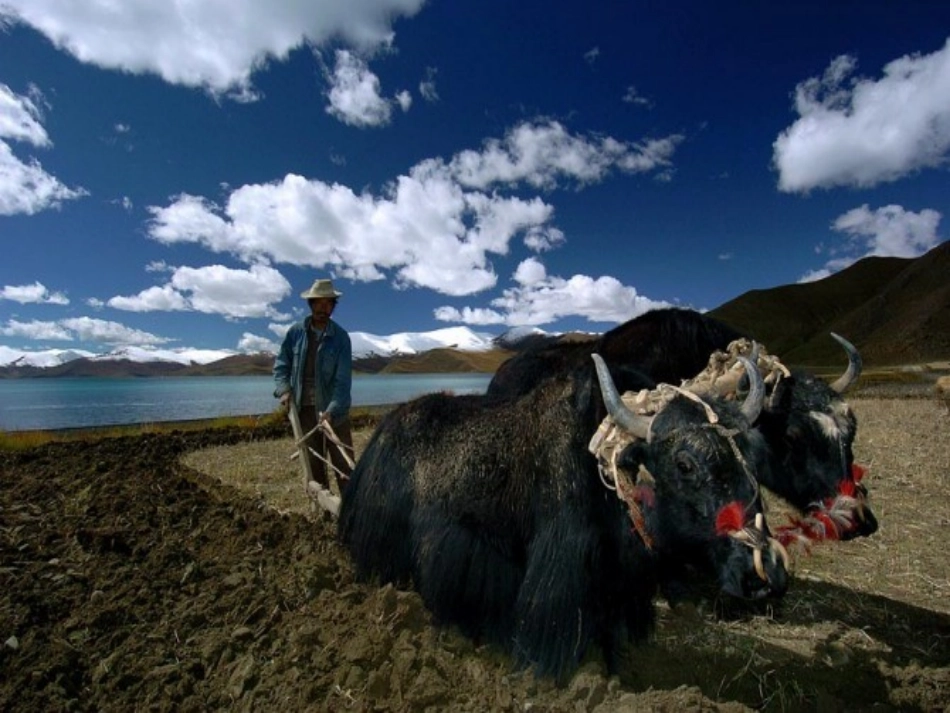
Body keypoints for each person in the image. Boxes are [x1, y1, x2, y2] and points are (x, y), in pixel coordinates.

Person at [274, 277, 354, 494]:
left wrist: (331, 411)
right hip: (305, 413)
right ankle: (324, 514)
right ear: (310, 304)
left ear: (333, 307)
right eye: (318, 302)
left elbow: (343, 382)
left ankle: (350, 513)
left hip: (334, 415)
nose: (323, 308)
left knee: (344, 466)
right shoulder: (296, 333)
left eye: (328, 303)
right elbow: (282, 364)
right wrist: (283, 389)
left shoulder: (341, 338)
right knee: (315, 466)